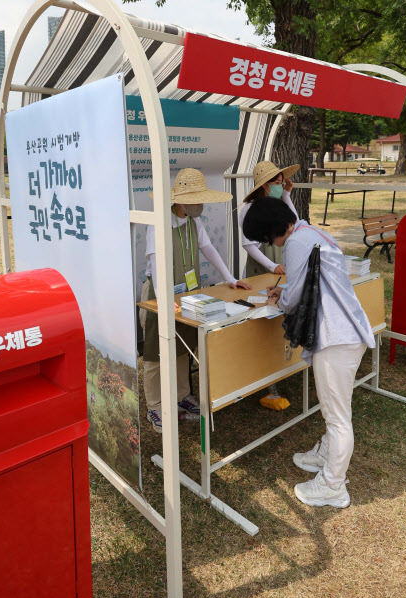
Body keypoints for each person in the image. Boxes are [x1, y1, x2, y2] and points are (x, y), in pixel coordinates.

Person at [243, 197, 375, 509]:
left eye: (266, 238)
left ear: (272, 230)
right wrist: (285, 292)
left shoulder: (295, 243)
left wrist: (276, 300)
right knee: (337, 408)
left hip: (336, 337)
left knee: (338, 417)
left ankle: (333, 486)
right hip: (344, 332)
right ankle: (327, 456)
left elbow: (294, 299)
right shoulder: (311, 233)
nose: (269, 244)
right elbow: (310, 285)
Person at [142, 168, 251, 433]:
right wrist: (165, 300)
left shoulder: (194, 222)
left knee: (183, 345)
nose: (201, 205)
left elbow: (208, 248)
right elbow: (156, 265)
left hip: (188, 294)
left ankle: (181, 396)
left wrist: (229, 277)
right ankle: (155, 406)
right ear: (181, 202)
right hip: (160, 295)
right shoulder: (157, 223)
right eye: (197, 200)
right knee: (156, 353)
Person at [238, 160, 299, 410]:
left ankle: (278, 372)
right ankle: (262, 380)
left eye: (282, 180)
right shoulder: (249, 209)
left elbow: (294, 222)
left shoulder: (277, 204)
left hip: (278, 265)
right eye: (277, 181)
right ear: (265, 185)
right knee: (262, 320)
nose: (281, 184)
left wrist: (286, 195)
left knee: (279, 318)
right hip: (261, 268)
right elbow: (248, 244)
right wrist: (271, 266)